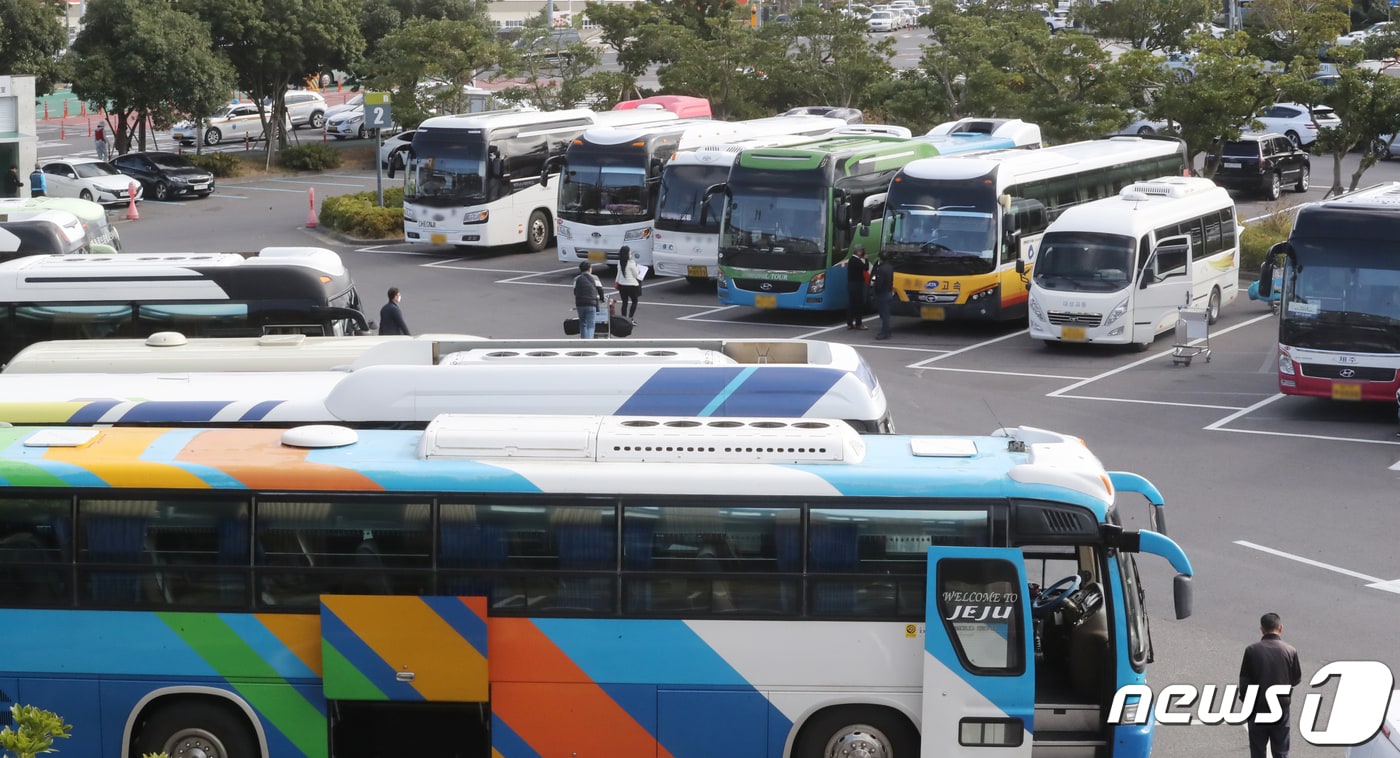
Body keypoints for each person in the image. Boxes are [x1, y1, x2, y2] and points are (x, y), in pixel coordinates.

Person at [1238, 612, 1302, 758]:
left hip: (1257, 707)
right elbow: (1296, 679)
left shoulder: (1251, 650)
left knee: (1258, 751)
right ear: (1280, 628)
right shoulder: (1290, 651)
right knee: (1280, 751)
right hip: (1281, 708)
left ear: (1262, 629)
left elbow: (1244, 681)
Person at [837, 246, 870, 329]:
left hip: (851, 284)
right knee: (859, 304)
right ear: (858, 252)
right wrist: (866, 259)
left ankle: (849, 323)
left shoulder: (851, 260)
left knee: (851, 304)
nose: (862, 253)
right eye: (861, 251)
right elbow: (866, 268)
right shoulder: (857, 261)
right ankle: (858, 323)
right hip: (858, 284)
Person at [573, 261, 605, 339]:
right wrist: (602, 298)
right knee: (591, 324)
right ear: (590, 269)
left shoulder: (576, 279)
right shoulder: (595, 278)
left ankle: (583, 341)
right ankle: (589, 342)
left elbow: (575, 292)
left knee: (582, 323)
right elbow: (600, 290)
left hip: (580, 303)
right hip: (591, 303)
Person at [614, 245, 643, 324]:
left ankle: (623, 318)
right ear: (627, 253)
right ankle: (631, 318)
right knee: (634, 301)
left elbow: (618, 273)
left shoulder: (620, 262)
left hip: (622, 285)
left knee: (624, 302)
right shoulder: (631, 262)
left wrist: (616, 282)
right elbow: (636, 275)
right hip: (632, 285)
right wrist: (639, 271)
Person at [871, 254, 896, 340]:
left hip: (883, 293)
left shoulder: (881, 269)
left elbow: (879, 283)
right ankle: (887, 331)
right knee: (886, 313)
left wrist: (876, 292)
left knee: (884, 314)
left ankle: (884, 332)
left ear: (880, 258)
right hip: (889, 292)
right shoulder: (890, 267)